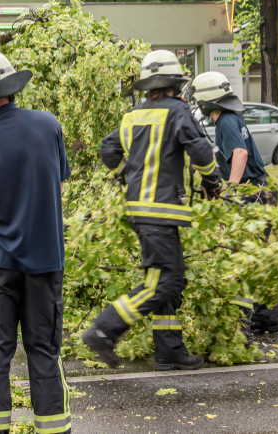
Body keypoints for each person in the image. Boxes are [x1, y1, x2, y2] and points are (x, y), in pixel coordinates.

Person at [0, 50, 73, 434]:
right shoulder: (48, 125)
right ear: (12, 87)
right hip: (46, 264)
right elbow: (55, 186)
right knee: (45, 354)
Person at [82, 50, 223, 371]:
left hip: (140, 210)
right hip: (162, 211)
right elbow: (200, 149)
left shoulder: (133, 115)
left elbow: (108, 149)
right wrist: (212, 182)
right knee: (162, 283)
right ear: (175, 84)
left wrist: (123, 174)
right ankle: (104, 330)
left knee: (167, 281)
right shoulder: (177, 112)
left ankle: (169, 350)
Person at [189, 71, 278, 335]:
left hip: (253, 195)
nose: (198, 106)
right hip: (260, 192)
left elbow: (240, 154)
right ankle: (267, 318)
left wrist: (230, 190)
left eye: (198, 101)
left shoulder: (226, 122)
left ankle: (241, 326)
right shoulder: (228, 121)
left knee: (241, 256)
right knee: (257, 256)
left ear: (206, 101)